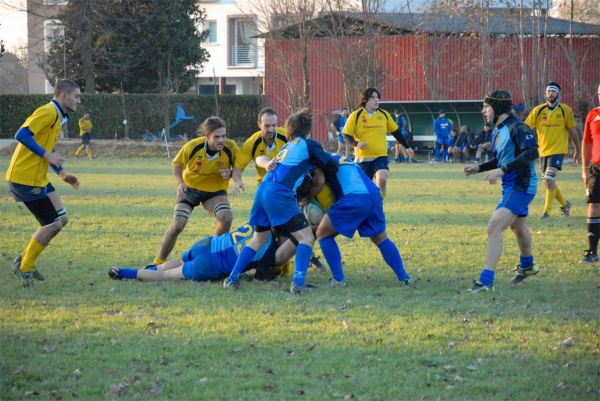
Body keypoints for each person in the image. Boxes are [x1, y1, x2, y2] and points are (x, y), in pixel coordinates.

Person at [224, 110, 338, 293]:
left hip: (263, 190)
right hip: (280, 193)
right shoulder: (308, 145)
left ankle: (232, 278)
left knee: (258, 239)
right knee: (307, 237)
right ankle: (298, 284)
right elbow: (331, 165)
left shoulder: (286, 147)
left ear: (287, 131)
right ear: (308, 130)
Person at [6, 79, 81, 287]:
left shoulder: (58, 117)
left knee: (62, 219)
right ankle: (25, 266)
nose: (79, 101)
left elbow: (49, 150)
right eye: (76, 96)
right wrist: (47, 155)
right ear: (63, 96)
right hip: (24, 178)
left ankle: (25, 260)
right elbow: (21, 134)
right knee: (51, 224)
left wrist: (62, 173)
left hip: (38, 177)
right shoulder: (48, 112)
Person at [464, 90, 539, 293]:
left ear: (497, 108)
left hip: (521, 185)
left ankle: (486, 282)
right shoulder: (498, 129)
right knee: (518, 227)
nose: (483, 111)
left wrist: (502, 170)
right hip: (511, 184)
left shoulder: (519, 127)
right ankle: (528, 266)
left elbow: (532, 152)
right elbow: (502, 159)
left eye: (486, 107)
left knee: (494, 226)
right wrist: (479, 168)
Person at [316, 154, 412, 286]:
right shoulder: (343, 159)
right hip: (373, 194)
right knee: (381, 238)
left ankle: (338, 279)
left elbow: (317, 182)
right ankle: (404, 277)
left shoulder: (319, 160)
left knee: (322, 233)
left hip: (354, 197)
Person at [153, 116, 239, 265]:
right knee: (178, 224)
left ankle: (213, 255)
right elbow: (177, 164)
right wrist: (180, 183)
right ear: (207, 136)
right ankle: (157, 262)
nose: (221, 140)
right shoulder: (193, 146)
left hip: (214, 191)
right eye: (217, 137)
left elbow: (239, 167)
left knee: (226, 217)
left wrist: (231, 174)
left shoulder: (230, 148)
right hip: (190, 188)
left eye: (223, 136)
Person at [109, 223, 296, 282]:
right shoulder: (269, 248)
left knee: (176, 263)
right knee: (166, 276)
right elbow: (261, 276)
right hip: (209, 265)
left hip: (206, 244)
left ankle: (151, 268)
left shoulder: (257, 222)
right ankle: (124, 273)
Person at [525, 82, 581, 220]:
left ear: (558, 94)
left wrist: (577, 150)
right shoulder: (538, 110)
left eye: (554, 91)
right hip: (543, 151)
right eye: (549, 91)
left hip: (558, 150)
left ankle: (546, 212)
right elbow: (525, 128)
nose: (551, 93)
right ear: (545, 93)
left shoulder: (565, 110)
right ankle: (565, 204)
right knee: (547, 181)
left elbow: (573, 131)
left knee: (549, 178)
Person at [343, 88, 413, 197]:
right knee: (365, 190)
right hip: (362, 159)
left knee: (382, 179)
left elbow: (396, 132)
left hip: (380, 156)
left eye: (377, 98)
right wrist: (356, 144)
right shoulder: (355, 115)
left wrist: (407, 147)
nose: (376, 100)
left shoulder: (384, 115)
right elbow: (346, 135)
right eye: (373, 98)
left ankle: (380, 202)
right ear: (365, 100)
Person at [231, 107, 287, 195]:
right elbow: (237, 169)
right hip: (265, 187)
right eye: (267, 126)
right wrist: (238, 181)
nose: (271, 130)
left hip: (286, 186)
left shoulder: (288, 137)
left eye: (274, 125)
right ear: (259, 124)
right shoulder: (251, 143)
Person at [581, 84, 600, 263]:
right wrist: (584, 170)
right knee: (593, 206)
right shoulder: (593, 114)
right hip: (596, 168)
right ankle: (592, 252)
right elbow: (586, 142)